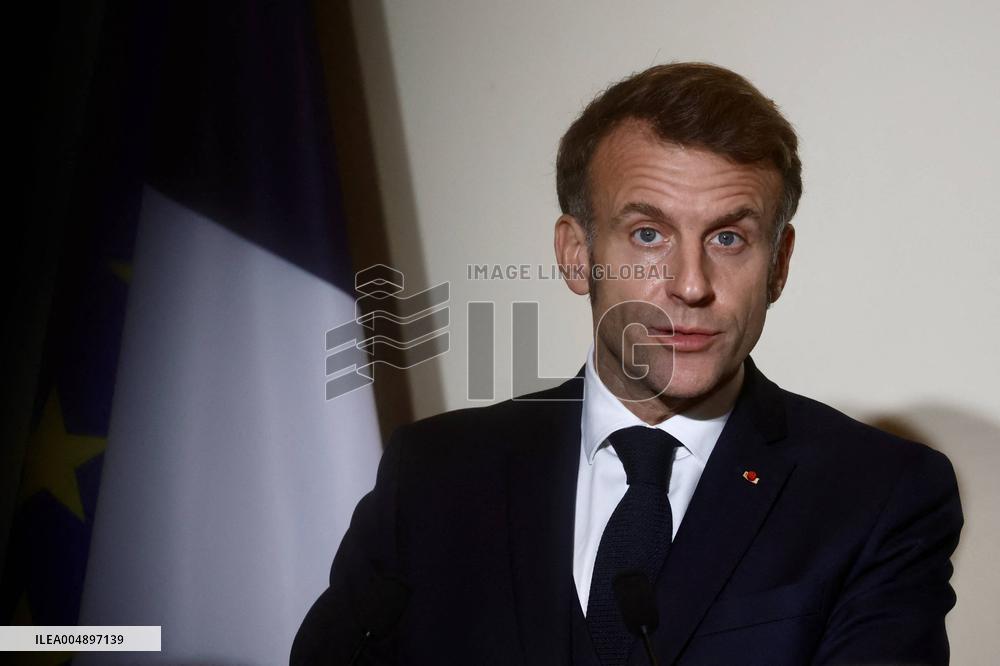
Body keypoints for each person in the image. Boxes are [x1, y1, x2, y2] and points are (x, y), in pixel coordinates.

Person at [292, 62, 963, 666]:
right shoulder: (435, 476)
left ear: (779, 264)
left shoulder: (878, 498)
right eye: (648, 234)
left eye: (729, 237)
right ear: (576, 253)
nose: (691, 283)